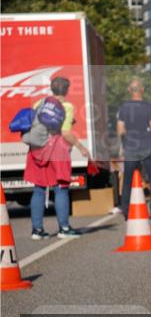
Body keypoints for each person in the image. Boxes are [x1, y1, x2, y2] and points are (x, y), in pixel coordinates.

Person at [25, 76, 91, 239]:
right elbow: (65, 132)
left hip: (37, 149)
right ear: (67, 90)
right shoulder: (67, 106)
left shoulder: (39, 103)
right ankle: (64, 228)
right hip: (57, 150)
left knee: (39, 189)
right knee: (61, 188)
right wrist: (81, 147)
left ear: (51, 88)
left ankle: (37, 230)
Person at [117, 77, 151, 217]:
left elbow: (120, 130)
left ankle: (127, 212)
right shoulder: (149, 107)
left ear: (129, 91)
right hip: (148, 147)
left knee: (128, 179)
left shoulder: (123, 108)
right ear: (142, 90)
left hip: (131, 148)